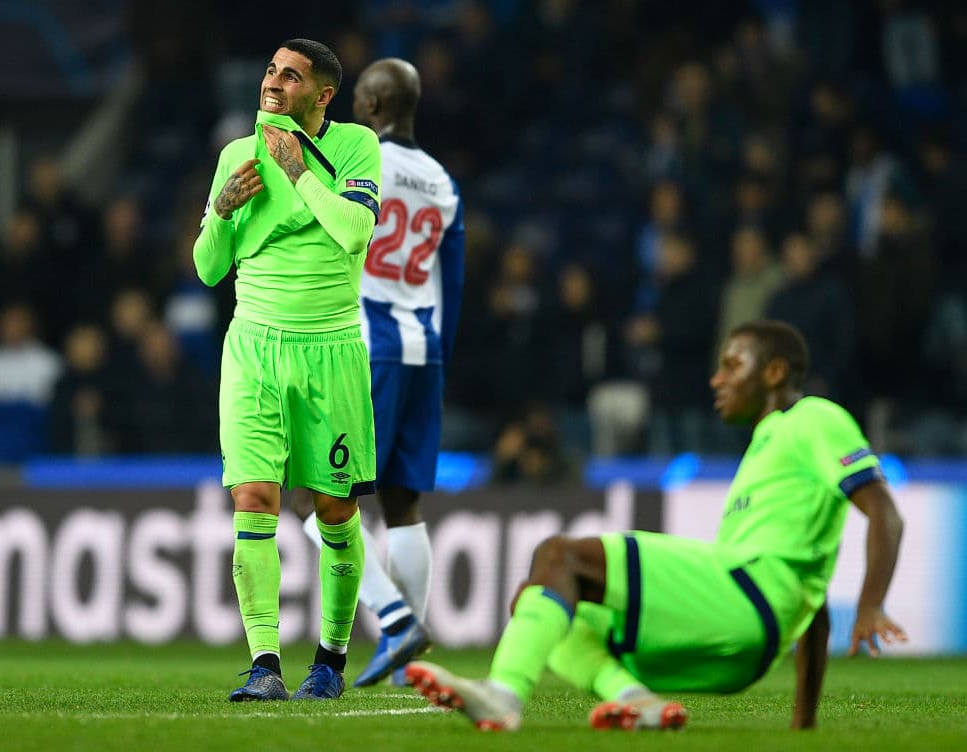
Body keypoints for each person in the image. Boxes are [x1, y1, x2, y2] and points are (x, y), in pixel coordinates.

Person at [408, 320, 907, 731]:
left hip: (744, 599)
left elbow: (884, 509)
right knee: (539, 603)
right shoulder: (768, 449)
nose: (717, 379)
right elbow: (811, 601)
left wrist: (871, 604)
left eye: (733, 365)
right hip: (749, 650)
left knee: (560, 554)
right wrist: (804, 724)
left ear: (776, 372)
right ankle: (634, 699)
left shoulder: (813, 418)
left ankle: (503, 694)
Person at [193, 38, 381, 702]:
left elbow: (354, 233)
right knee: (252, 497)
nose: (273, 82)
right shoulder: (235, 158)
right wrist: (221, 214)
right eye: (271, 70)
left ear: (323, 94)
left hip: (329, 349)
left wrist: (299, 171)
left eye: (291, 76)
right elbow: (208, 267)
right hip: (252, 348)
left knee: (334, 508)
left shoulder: (357, 148)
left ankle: (329, 659)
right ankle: (265, 664)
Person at [290, 57, 465, 688]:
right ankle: (409, 663)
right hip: (427, 349)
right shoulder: (442, 181)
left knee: (314, 494)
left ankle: (393, 617)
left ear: (369, 105)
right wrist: (441, 351)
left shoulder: (358, 159)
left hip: (365, 344)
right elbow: (456, 279)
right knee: (402, 502)